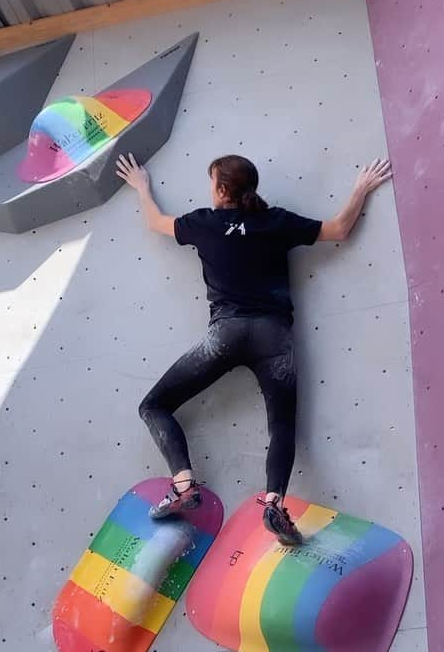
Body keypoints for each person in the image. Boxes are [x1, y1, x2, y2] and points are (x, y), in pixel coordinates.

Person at [115, 151, 391, 546]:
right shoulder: (275, 221)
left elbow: (155, 222)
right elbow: (339, 229)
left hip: (225, 334)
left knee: (153, 406)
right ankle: (274, 503)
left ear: (222, 189)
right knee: (282, 426)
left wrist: (142, 187)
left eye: (212, 182)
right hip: (274, 338)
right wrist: (361, 188)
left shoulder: (203, 224)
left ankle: (183, 484)